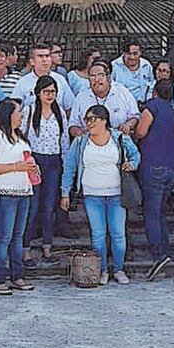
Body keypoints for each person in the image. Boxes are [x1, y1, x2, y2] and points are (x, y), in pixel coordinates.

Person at [61, 105, 140, 286]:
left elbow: (136, 155)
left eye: (92, 119)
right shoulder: (80, 142)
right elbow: (70, 168)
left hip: (117, 194)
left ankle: (119, 269)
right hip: (92, 194)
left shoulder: (119, 138)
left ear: (104, 120)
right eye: (86, 120)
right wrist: (65, 192)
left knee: (118, 234)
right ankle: (102, 269)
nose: (88, 123)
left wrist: (132, 164)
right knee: (98, 234)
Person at [0, 99, 39, 295]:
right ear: (8, 114)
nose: (21, 115)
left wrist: (31, 168)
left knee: (18, 237)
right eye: (18, 112)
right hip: (3, 193)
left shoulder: (20, 138)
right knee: (4, 237)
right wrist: (15, 167)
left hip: (23, 192)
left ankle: (17, 276)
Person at [135, 78, 174, 280]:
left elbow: (141, 131)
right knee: (161, 211)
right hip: (173, 166)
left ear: (154, 91)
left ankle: (157, 254)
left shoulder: (152, 107)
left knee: (152, 213)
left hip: (154, 165)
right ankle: (165, 249)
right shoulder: (172, 109)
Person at [22, 75, 69, 266]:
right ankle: (25, 250)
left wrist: (65, 165)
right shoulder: (29, 110)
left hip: (53, 162)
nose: (50, 95)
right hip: (35, 160)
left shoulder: (60, 112)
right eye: (46, 91)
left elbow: (64, 140)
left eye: (53, 91)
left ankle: (47, 247)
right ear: (38, 93)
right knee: (32, 207)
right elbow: (22, 137)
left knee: (49, 207)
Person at [69, 60, 140, 137]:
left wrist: (127, 125)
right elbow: (73, 124)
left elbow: (135, 116)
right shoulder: (81, 97)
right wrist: (77, 131)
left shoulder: (122, 92)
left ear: (108, 78)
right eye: (92, 76)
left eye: (101, 75)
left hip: (119, 139)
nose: (96, 79)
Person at [11, 43, 74, 113]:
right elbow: (15, 109)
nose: (45, 60)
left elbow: (69, 107)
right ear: (32, 61)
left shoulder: (60, 80)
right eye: (40, 56)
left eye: (47, 56)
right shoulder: (23, 82)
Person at [111, 40, 155, 105]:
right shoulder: (114, 66)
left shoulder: (146, 65)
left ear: (140, 53)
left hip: (143, 105)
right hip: (121, 104)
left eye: (135, 53)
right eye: (129, 53)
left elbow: (151, 86)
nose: (132, 57)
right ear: (123, 53)